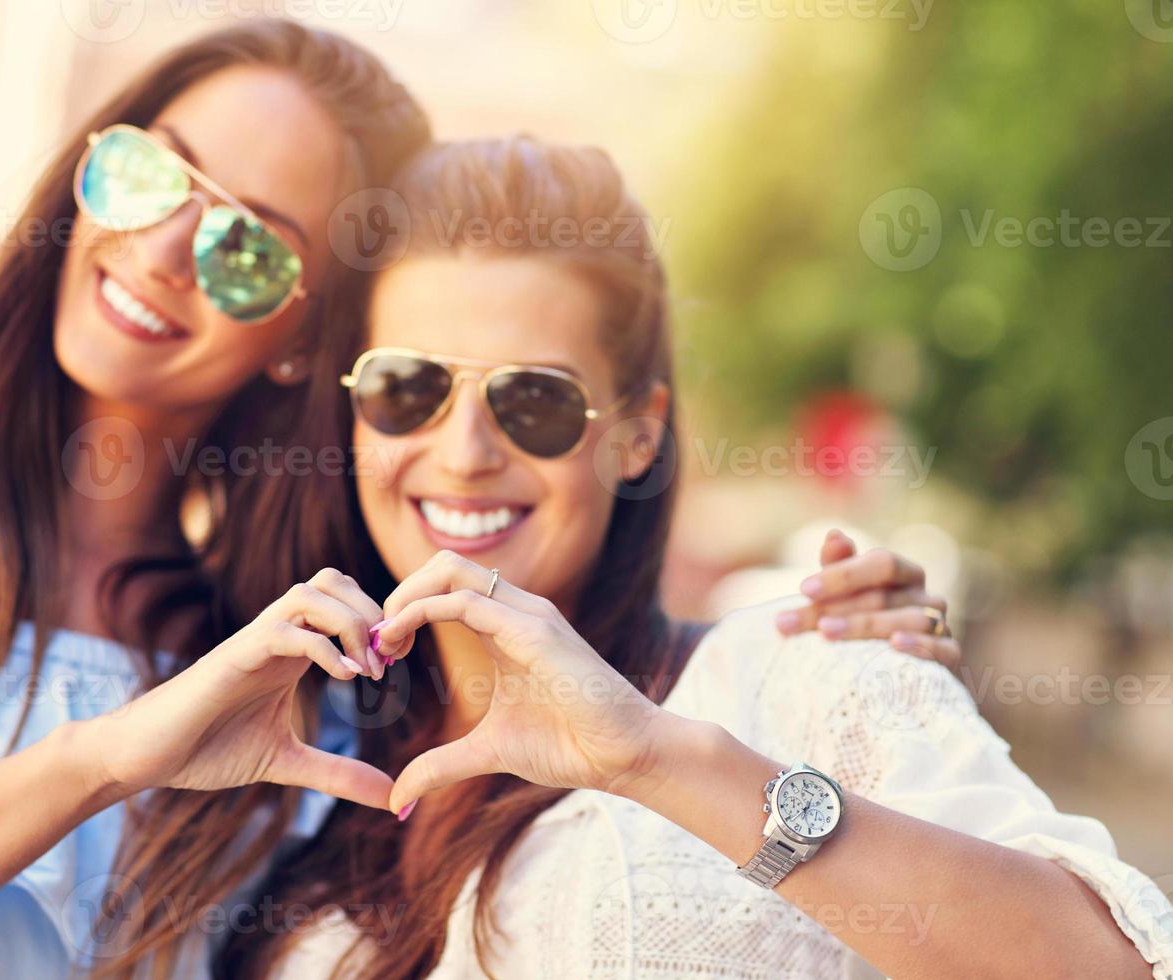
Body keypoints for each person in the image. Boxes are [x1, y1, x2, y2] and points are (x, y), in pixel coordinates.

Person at [0, 22, 962, 978]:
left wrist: (838, 651)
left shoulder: (287, 659)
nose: (158, 251)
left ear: (312, 339)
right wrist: (93, 763)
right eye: (150, 176)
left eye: (246, 244)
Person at [204, 138, 1173, 979]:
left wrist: (662, 756)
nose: (464, 451)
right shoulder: (292, 735)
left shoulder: (799, 672)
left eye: (532, 399)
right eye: (407, 387)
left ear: (635, 432)